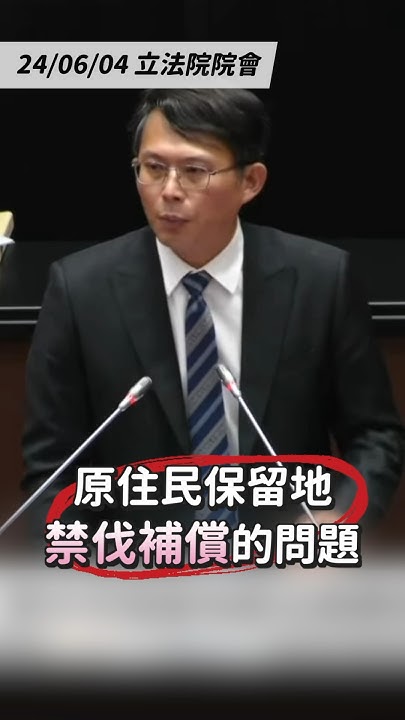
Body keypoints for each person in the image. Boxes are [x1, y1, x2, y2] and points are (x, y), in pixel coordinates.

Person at [21, 88, 404, 554]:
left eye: (195, 171)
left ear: (251, 182)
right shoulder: (80, 290)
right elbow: (52, 470)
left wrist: (337, 525)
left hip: (284, 564)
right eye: (153, 168)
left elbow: (374, 435)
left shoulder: (320, 281)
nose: (169, 190)